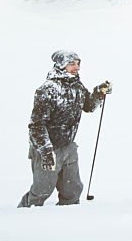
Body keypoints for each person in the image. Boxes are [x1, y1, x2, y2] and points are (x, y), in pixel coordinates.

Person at [18, 50, 111, 207]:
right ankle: (24, 216)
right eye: (71, 64)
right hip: (46, 148)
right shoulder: (48, 89)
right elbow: (36, 125)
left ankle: (68, 220)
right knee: (42, 191)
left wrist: (98, 94)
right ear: (61, 66)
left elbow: (88, 106)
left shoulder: (77, 86)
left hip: (68, 146)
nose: (77, 67)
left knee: (72, 190)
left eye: (77, 63)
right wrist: (46, 151)